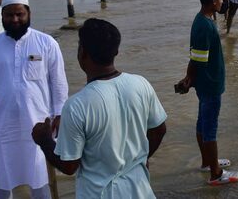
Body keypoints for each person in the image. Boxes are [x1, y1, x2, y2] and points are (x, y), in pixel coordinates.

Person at [31, 18, 167, 198]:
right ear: (116, 51)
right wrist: (140, 159)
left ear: (82, 53)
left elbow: (69, 165)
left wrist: (44, 140)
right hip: (139, 188)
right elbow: (159, 129)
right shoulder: (141, 84)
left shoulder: (76, 105)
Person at [0, 0, 68, 199]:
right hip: (0, 126)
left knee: (41, 180)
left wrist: (60, 114)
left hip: (39, 124)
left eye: (19, 14)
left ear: (29, 14)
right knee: (1, 181)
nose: (15, 19)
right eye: (9, 15)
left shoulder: (47, 43)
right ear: (2, 16)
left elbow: (58, 83)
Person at [177, 0, 238, 186]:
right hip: (210, 84)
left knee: (202, 123)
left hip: (204, 84)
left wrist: (188, 79)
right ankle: (215, 172)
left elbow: (195, 56)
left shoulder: (202, 20)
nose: (223, 2)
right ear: (213, 1)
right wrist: (190, 78)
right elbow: (198, 60)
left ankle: (207, 161)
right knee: (210, 128)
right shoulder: (205, 26)